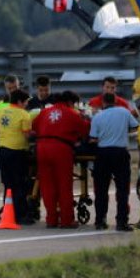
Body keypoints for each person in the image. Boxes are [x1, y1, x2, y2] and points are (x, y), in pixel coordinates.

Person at [32, 91, 90, 228]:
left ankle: (51, 219)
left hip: (42, 148)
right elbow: (86, 129)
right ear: (70, 102)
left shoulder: (45, 112)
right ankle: (66, 220)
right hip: (61, 148)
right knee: (64, 185)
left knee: (47, 185)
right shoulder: (72, 113)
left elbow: (34, 126)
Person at [89, 92, 139, 231]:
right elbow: (135, 127)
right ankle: (121, 222)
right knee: (122, 189)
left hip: (103, 154)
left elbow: (93, 138)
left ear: (103, 103)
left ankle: (100, 221)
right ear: (116, 101)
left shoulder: (97, 117)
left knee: (101, 190)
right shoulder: (124, 112)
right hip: (120, 153)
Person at [0, 89, 33, 224]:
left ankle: (7, 212)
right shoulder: (24, 115)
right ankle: (20, 215)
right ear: (20, 101)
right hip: (18, 153)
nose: (27, 104)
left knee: (8, 184)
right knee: (20, 184)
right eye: (26, 102)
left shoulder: (0, 112)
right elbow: (27, 135)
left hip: (3, 151)